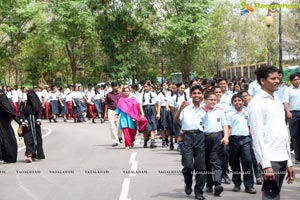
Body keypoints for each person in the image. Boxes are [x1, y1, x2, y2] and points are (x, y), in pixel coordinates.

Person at [248, 66, 295, 200]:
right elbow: (257, 136)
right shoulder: (257, 103)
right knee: (270, 196)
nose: (277, 81)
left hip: (282, 156)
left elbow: (283, 133)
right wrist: (266, 164)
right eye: (273, 78)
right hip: (270, 157)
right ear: (262, 81)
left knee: (275, 195)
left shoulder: (277, 101)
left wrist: (289, 162)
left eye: (278, 78)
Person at [174, 85, 206, 200]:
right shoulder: (185, 107)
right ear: (191, 94)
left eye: (199, 93)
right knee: (188, 165)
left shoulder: (205, 108)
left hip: (201, 137)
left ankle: (199, 191)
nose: (197, 95)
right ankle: (188, 182)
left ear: (202, 95)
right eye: (194, 93)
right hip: (187, 136)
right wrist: (180, 109)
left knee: (201, 167)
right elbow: (176, 120)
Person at [200, 91, 229, 196]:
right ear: (205, 100)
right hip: (203, 138)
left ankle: (217, 184)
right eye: (210, 100)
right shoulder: (200, 110)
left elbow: (225, 125)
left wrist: (226, 137)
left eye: (214, 100)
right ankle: (209, 183)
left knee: (216, 161)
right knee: (206, 162)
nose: (213, 102)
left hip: (217, 137)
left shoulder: (220, 111)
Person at [226, 94, 256, 194]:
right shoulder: (229, 113)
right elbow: (228, 128)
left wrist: (253, 139)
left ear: (242, 101)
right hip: (233, 140)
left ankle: (249, 185)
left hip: (245, 140)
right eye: (235, 101)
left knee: (247, 161)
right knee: (235, 163)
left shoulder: (247, 112)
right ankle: (237, 183)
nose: (237, 102)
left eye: (239, 100)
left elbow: (250, 126)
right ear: (232, 103)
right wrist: (226, 139)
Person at [20, 89, 45, 162]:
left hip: (35, 123)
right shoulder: (25, 103)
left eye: (32, 94)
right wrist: (24, 120)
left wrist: (38, 119)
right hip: (27, 124)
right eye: (29, 94)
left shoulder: (37, 103)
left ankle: (36, 154)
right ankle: (29, 155)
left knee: (37, 139)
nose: (30, 96)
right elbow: (21, 113)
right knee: (28, 139)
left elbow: (39, 112)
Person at [0, 89, 22, 163]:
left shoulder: (3, 101)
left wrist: (19, 122)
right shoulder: (4, 100)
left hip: (5, 126)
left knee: (6, 141)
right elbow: (11, 113)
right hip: (5, 126)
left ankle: (8, 157)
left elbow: (11, 113)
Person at [283, 73, 300, 164]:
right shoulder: (288, 90)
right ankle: (297, 157)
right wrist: (288, 111)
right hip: (293, 114)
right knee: (294, 135)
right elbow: (286, 102)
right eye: (294, 80)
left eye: (298, 79)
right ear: (291, 81)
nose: (297, 81)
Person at [139, 81, 160, 148]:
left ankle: (152, 142)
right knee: (145, 127)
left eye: (146, 86)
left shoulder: (154, 94)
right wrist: (142, 113)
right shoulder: (141, 95)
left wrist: (158, 113)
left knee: (153, 126)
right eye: (144, 87)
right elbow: (140, 105)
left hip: (152, 109)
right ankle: (145, 142)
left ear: (150, 87)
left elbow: (158, 103)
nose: (145, 88)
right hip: (145, 109)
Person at [104, 82, 123, 147]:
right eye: (115, 87)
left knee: (120, 126)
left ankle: (119, 136)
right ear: (112, 87)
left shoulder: (121, 94)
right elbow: (106, 104)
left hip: (119, 112)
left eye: (117, 86)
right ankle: (115, 141)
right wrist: (105, 114)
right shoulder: (108, 95)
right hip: (111, 111)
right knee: (113, 127)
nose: (117, 88)